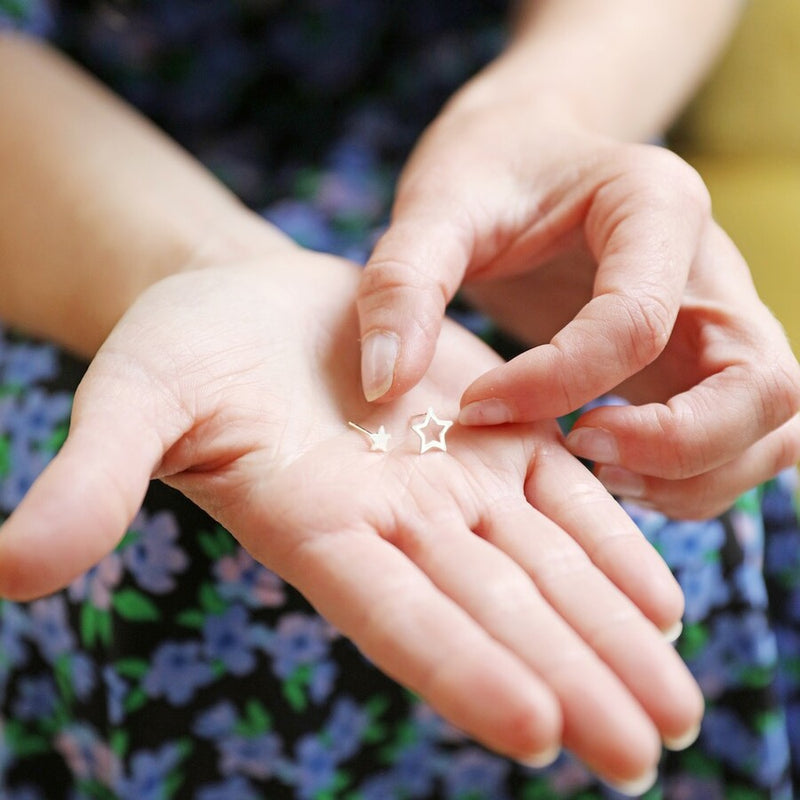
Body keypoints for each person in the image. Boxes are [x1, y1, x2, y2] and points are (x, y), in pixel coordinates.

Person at [0, 2, 797, 799]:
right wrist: (196, 260)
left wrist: (544, 113)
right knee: (198, 534)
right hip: (67, 208)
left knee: (632, 500)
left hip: (492, 187)